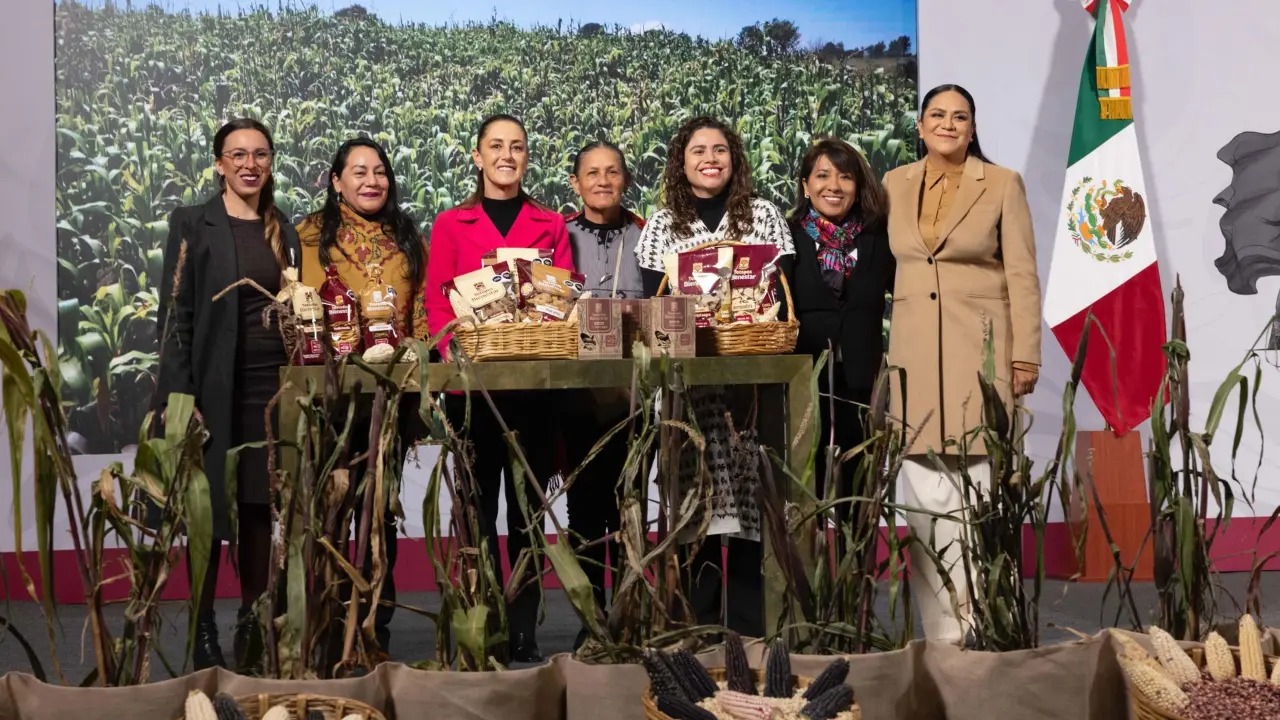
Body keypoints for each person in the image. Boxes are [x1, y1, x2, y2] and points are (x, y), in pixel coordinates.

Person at [882, 84, 1042, 644]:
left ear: (973, 129)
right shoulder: (893, 184)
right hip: (915, 363)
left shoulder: (1001, 184)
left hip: (981, 357)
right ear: (920, 125)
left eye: (960, 116)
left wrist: (1025, 354)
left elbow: (1022, 273)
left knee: (979, 500)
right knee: (924, 505)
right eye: (937, 115)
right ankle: (943, 637)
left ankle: (985, 631)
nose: (948, 124)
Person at [633, 116, 795, 637]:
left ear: (735, 159)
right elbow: (651, 306)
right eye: (698, 150)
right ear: (681, 162)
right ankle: (699, 633)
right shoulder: (662, 225)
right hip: (689, 396)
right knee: (695, 514)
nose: (710, 159)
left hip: (751, 389)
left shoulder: (764, 216)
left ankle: (750, 635)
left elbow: (782, 294)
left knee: (753, 515)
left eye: (720, 149)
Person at [424, 113, 572, 663]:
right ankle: (483, 622)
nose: (506, 155)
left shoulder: (549, 224)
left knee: (528, 516)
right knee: (477, 511)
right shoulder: (450, 225)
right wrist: (451, 352)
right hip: (471, 391)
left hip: (533, 387)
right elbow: (438, 302)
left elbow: (560, 299)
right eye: (495, 146)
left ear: (526, 157)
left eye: (517, 146)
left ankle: (525, 628)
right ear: (477, 155)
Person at [157, 118, 301, 670]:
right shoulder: (193, 223)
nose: (249, 164)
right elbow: (177, 316)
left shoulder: (281, 228)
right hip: (213, 389)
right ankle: (201, 629)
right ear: (219, 163)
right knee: (207, 513)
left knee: (260, 508)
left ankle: (252, 621)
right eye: (237, 155)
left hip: (271, 388)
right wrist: (180, 395)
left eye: (260, 154)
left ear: (270, 162)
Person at [296, 137, 430, 653]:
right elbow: (301, 307)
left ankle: (376, 625)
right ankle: (326, 626)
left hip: (389, 398)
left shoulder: (407, 237)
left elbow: (418, 315)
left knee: (379, 515)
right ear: (336, 181)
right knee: (329, 509)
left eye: (380, 172)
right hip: (329, 396)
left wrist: (418, 372)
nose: (372, 181)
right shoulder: (309, 235)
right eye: (358, 172)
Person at [783, 138, 895, 535]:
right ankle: (807, 591)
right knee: (803, 489)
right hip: (804, 379)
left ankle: (856, 590)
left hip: (862, 380)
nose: (834, 186)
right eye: (823, 175)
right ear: (805, 185)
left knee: (860, 491)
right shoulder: (788, 238)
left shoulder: (878, 238)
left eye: (845, 176)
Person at [561, 140, 646, 649]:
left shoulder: (645, 234)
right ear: (576, 183)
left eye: (612, 172)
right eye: (591, 173)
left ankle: (631, 613)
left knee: (629, 502)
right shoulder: (560, 235)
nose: (602, 181)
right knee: (584, 509)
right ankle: (592, 620)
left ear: (625, 179)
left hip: (635, 393)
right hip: (575, 395)